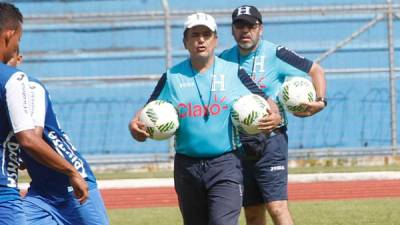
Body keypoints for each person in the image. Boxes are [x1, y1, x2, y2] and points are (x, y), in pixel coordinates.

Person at [129, 12, 282, 225]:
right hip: (187, 167)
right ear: (185, 41)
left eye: (206, 34)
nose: (201, 39)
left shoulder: (234, 72)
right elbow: (145, 113)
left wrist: (275, 115)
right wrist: (135, 127)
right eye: (195, 35)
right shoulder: (172, 76)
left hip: (226, 163)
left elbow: (266, 100)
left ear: (215, 40)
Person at [219, 5, 327, 225]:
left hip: (271, 140)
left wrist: (320, 101)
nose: (245, 31)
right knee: (252, 212)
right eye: (240, 26)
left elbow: (316, 70)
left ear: (261, 29)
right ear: (232, 30)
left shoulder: (276, 53)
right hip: (238, 144)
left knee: (277, 208)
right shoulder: (223, 60)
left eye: (251, 26)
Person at [0, 2, 88, 225]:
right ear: (9, 35)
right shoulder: (13, 78)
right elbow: (29, 139)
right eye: (19, 40)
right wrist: (71, 171)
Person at [7, 49, 109, 225]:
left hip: (73, 183)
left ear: (19, 59)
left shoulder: (31, 88)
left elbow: (33, 138)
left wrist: (72, 173)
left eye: (8, 60)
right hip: (41, 193)